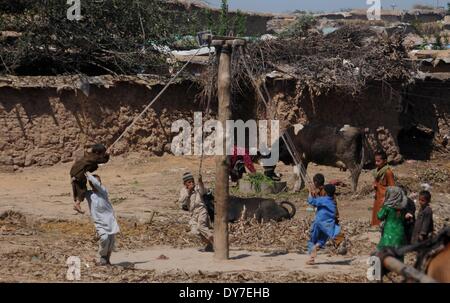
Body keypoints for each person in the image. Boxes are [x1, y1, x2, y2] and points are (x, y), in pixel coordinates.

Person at [85, 173, 120, 266]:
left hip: (110, 221)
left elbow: (97, 184)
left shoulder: (103, 192)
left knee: (111, 242)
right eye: (93, 183)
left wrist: (88, 174)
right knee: (104, 238)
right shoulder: (89, 194)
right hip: (99, 222)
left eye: (98, 182)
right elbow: (78, 193)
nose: (96, 184)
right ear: (90, 184)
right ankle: (103, 257)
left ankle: (107, 260)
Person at [178, 172, 214, 252]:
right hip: (193, 214)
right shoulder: (183, 191)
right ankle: (210, 243)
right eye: (189, 182)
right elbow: (181, 200)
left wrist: (200, 181)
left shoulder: (197, 188)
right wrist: (189, 191)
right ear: (185, 184)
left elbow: (203, 190)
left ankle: (214, 238)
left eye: (192, 181)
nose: (191, 183)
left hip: (201, 210)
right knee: (195, 231)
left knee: (201, 226)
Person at [306, 184, 341, 265]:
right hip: (328, 226)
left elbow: (311, 201)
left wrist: (310, 193)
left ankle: (311, 257)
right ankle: (314, 253)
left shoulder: (323, 199)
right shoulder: (332, 202)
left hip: (318, 223)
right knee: (322, 240)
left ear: (325, 191)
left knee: (312, 239)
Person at [70, 144, 110, 214]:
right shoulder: (94, 158)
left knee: (78, 188)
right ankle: (77, 204)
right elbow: (103, 160)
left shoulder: (90, 155)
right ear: (98, 153)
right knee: (82, 189)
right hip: (79, 174)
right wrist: (107, 155)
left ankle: (77, 204)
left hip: (75, 172)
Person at [377, 186, 407, 253]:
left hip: (389, 231)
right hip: (400, 231)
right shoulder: (403, 207)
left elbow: (379, 216)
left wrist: (381, 206)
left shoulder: (387, 207)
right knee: (399, 252)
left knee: (386, 251)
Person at [371, 150, 395, 226]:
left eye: (378, 161)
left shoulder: (388, 172)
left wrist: (387, 199)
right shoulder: (377, 171)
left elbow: (392, 188)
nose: (376, 163)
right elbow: (376, 182)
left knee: (382, 218)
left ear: (385, 161)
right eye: (375, 161)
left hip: (384, 199)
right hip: (377, 197)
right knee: (376, 217)